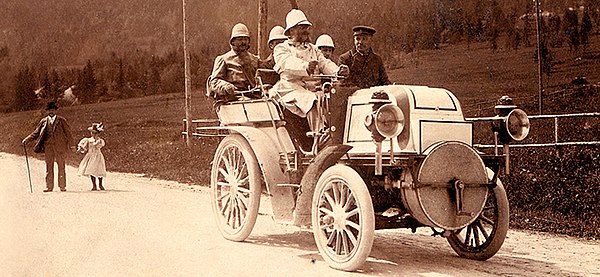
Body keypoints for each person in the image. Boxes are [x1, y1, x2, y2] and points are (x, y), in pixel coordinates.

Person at [271, 9, 348, 151]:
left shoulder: (313, 49)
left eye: (307, 27)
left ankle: (337, 135)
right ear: (291, 31)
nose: (306, 30)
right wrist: (305, 66)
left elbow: (324, 63)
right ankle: (319, 138)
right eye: (302, 27)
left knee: (335, 100)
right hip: (290, 89)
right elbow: (287, 63)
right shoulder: (281, 48)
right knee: (312, 101)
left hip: (311, 90)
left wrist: (338, 70)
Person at [206, 23, 260, 110]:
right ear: (232, 41)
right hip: (233, 100)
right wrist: (226, 86)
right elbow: (214, 81)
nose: (243, 42)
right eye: (240, 39)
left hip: (255, 99)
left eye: (245, 39)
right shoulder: (223, 59)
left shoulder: (255, 59)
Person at [22, 101, 73, 192]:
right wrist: (27, 139)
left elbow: (68, 133)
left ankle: (62, 186)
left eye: (53, 110)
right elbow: (36, 133)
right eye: (49, 110)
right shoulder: (44, 121)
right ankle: (49, 187)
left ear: (56, 110)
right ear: (47, 111)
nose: (51, 112)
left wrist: (72, 145)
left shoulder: (61, 120)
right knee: (49, 166)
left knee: (61, 166)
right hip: (48, 147)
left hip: (59, 147)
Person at [77, 123, 107, 191]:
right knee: (91, 169)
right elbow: (84, 147)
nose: (93, 134)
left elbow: (99, 146)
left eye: (95, 133)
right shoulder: (88, 140)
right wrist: (81, 148)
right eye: (92, 133)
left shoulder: (100, 141)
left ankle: (100, 184)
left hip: (98, 156)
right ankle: (94, 185)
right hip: (90, 155)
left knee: (99, 169)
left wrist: (97, 142)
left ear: (98, 133)